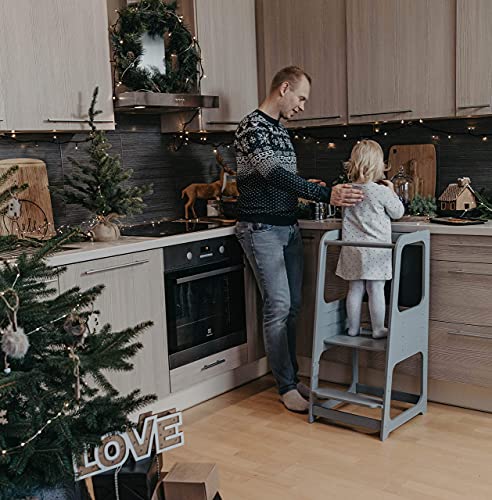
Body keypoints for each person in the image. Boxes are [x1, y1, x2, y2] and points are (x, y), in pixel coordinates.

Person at [234, 66, 364, 413]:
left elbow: (281, 178)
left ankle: (290, 377)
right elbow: (272, 174)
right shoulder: (252, 126)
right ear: (285, 88)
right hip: (261, 228)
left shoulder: (279, 130)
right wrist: (323, 196)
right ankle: (287, 386)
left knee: (292, 307)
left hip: (287, 227)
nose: (303, 106)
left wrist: (307, 187)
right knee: (277, 307)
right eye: (301, 98)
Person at [336, 139, 405, 340]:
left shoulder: (347, 190)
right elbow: (398, 212)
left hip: (352, 249)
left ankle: (353, 328)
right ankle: (377, 329)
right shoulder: (381, 191)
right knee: (375, 289)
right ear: (378, 165)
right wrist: (392, 191)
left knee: (355, 288)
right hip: (375, 250)